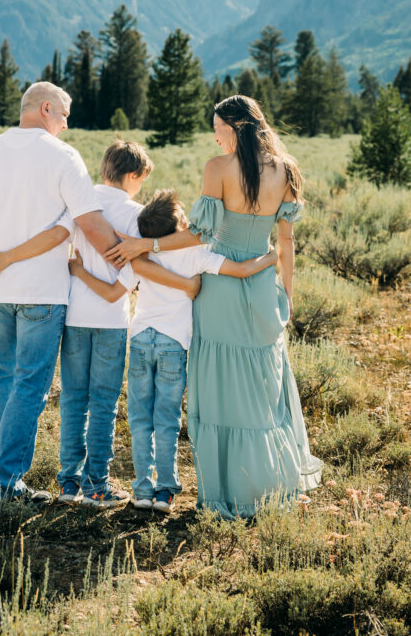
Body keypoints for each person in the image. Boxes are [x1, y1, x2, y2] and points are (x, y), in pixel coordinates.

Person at [106, 95, 323, 518]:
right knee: (264, 387)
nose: (214, 135)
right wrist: (288, 295)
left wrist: (146, 244)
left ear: (236, 127)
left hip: (220, 289)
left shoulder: (218, 169)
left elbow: (199, 235)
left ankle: (231, 488)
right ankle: (272, 486)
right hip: (261, 287)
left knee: (222, 392)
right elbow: (286, 242)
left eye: (218, 127)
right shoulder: (287, 169)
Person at [0, 138, 199, 509]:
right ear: (133, 175)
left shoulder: (80, 202)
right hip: (112, 322)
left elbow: (59, 241)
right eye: (141, 179)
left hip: (74, 316)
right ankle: (97, 485)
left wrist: (72, 269)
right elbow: (132, 274)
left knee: (73, 400)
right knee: (104, 404)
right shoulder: (137, 215)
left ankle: (68, 483)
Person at [0, 81, 121, 504]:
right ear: (46, 109)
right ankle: (5, 486)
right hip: (43, 294)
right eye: (64, 115)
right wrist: (132, 259)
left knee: (0, 379)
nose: (66, 123)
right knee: (30, 385)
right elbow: (93, 225)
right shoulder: (63, 157)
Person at [85, 188, 276, 513]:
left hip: (142, 339)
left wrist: (79, 267)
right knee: (168, 420)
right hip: (174, 343)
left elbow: (116, 286)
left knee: (141, 419)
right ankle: (165, 491)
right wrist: (272, 256)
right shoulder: (197, 253)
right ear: (179, 225)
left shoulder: (140, 258)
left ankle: (143, 491)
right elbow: (242, 270)